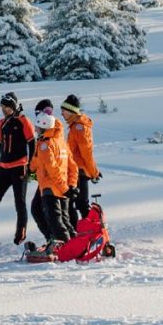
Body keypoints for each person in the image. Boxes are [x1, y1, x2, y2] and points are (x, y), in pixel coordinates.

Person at [0, 92, 35, 251]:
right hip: (3, 168)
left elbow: (32, 143)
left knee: (20, 203)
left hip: (20, 168)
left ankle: (20, 235)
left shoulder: (23, 121)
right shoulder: (1, 123)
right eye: (2, 107)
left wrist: (31, 165)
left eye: (6, 107)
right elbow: (0, 143)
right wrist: (5, 156)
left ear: (13, 106)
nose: (3, 109)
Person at [28, 100, 74, 251]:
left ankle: (68, 248)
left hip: (51, 186)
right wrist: (70, 185)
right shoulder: (58, 139)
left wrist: (65, 187)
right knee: (64, 220)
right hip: (61, 185)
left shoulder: (45, 144)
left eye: (36, 126)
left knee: (56, 221)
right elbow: (71, 164)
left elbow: (51, 167)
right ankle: (72, 243)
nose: (34, 129)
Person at [60, 94, 101, 229]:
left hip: (80, 171)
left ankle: (91, 231)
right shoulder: (74, 126)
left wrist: (94, 172)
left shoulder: (79, 128)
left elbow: (87, 152)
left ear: (71, 111)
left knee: (80, 204)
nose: (62, 113)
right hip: (74, 170)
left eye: (64, 111)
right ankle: (79, 232)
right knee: (74, 203)